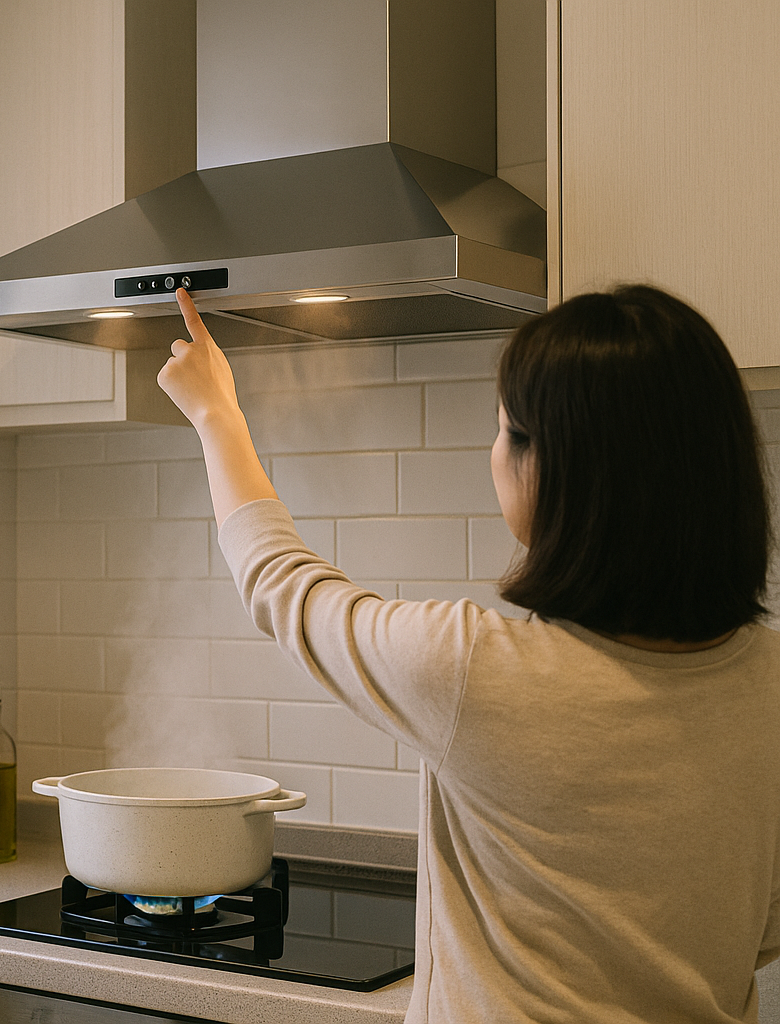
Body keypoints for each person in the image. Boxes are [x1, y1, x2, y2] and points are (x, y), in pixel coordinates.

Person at [156, 284, 779, 1024]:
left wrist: (215, 413)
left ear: (560, 471)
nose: (494, 454)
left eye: (505, 430)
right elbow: (759, 928)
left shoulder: (474, 670)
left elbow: (281, 583)